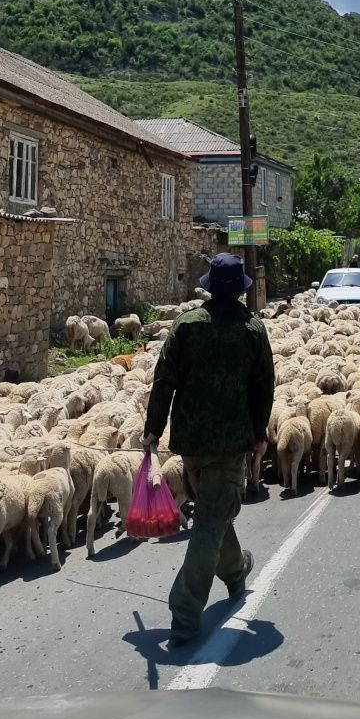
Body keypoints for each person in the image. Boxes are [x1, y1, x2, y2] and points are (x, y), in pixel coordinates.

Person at [142, 253, 275, 649]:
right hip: (230, 442)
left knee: (214, 516)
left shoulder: (186, 327)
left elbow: (164, 379)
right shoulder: (252, 330)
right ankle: (184, 614)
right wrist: (258, 431)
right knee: (208, 525)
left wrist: (153, 429)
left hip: (192, 442)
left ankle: (236, 573)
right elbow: (263, 386)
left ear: (209, 286)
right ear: (240, 291)